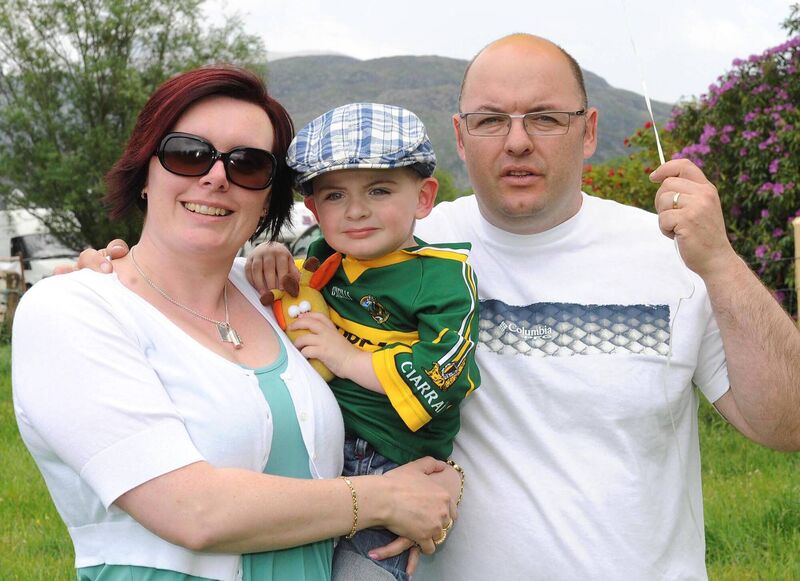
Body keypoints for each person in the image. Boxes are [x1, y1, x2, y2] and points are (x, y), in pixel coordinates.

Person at [77, 34, 800, 581]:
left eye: (545, 117)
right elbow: (214, 287)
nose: (517, 140)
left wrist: (720, 261)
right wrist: (118, 273)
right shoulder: (397, 242)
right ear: (459, 137)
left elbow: (784, 423)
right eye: (491, 120)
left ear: (588, 130)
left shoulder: (670, 253)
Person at [12, 66, 460, 581]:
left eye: (247, 164)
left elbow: (391, 395)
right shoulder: (75, 309)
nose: (217, 176)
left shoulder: (279, 292)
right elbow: (192, 511)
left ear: (268, 197)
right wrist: (382, 499)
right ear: (145, 173)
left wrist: (443, 481)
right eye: (188, 153)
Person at [269, 102, 479, 580]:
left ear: (424, 198)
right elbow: (282, 299)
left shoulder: (446, 277)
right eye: (335, 196)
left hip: (390, 463)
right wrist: (268, 259)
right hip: (314, 447)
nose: (356, 210)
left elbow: (443, 376)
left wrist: (344, 357)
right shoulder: (324, 260)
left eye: (379, 190)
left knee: (362, 574)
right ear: (314, 209)